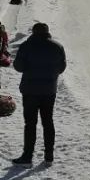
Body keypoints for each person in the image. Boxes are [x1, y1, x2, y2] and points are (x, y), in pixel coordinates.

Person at [11, 22, 67, 165]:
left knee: (30, 123)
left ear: (34, 32)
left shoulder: (26, 46)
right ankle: (49, 156)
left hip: (30, 90)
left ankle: (27, 156)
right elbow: (62, 67)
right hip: (49, 90)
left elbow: (18, 66)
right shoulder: (57, 47)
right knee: (48, 122)